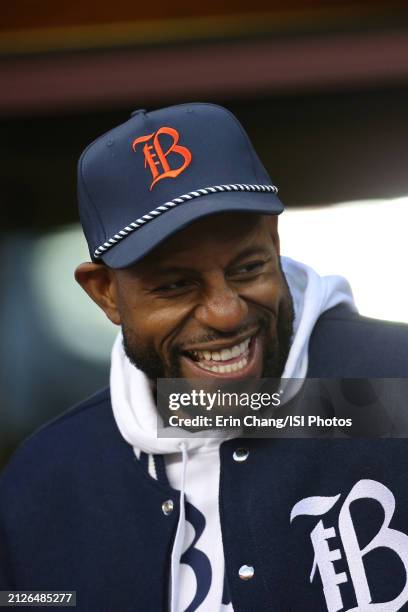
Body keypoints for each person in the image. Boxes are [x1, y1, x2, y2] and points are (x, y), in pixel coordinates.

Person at [1, 103, 408, 612]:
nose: (225, 313)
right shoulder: (50, 481)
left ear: (275, 243)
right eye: (175, 285)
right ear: (104, 293)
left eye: (248, 267)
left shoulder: (393, 386)